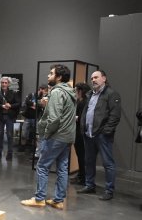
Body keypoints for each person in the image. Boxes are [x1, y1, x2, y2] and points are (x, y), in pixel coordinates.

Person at [21, 64, 76, 210]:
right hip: (67, 136)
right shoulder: (69, 91)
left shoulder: (57, 92)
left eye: (51, 73)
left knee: (42, 166)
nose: (48, 76)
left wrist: (46, 134)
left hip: (56, 136)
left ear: (58, 77)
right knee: (62, 168)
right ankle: (58, 200)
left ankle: (39, 199)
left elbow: (55, 118)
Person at [77, 70, 121, 201]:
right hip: (88, 133)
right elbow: (87, 112)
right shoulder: (90, 94)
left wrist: (106, 131)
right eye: (91, 78)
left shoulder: (112, 94)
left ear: (104, 78)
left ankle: (109, 190)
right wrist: (83, 127)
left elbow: (115, 116)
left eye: (96, 77)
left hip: (102, 135)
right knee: (89, 161)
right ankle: (89, 185)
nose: (93, 80)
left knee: (108, 163)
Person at [70, 82, 91, 185]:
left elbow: (81, 117)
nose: (75, 93)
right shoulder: (82, 102)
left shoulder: (84, 102)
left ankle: (82, 177)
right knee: (80, 155)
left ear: (80, 91)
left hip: (80, 132)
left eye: (76, 90)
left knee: (81, 155)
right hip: (79, 132)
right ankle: (81, 175)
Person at [0, 77, 20, 160]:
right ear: (0, 84)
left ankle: (10, 153)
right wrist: (2, 106)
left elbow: (18, 103)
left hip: (10, 117)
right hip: (0, 117)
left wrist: (11, 106)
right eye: (2, 82)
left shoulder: (13, 93)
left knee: (9, 135)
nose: (4, 84)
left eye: (5, 83)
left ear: (8, 84)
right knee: (0, 134)